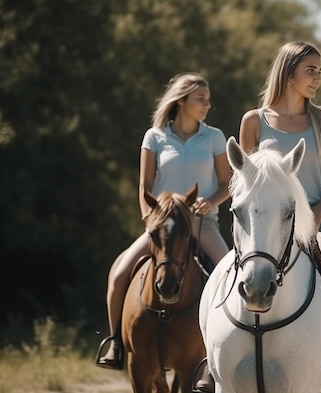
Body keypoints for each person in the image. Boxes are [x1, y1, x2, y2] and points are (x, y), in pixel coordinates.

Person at [240, 41, 321, 393]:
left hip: (318, 222)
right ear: (288, 71)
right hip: (263, 226)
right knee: (219, 281)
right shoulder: (253, 121)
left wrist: (310, 218)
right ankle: (212, 365)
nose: (318, 78)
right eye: (311, 70)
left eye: (320, 71)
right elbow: (245, 186)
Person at [96, 73, 231, 370]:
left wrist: (210, 201)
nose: (207, 105)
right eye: (201, 99)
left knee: (230, 274)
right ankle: (116, 342)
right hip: (162, 227)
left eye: (208, 100)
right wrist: (150, 219)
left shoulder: (214, 137)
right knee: (119, 274)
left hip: (201, 223)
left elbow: (227, 183)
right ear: (181, 101)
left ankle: (218, 354)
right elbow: (144, 185)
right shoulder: (154, 136)